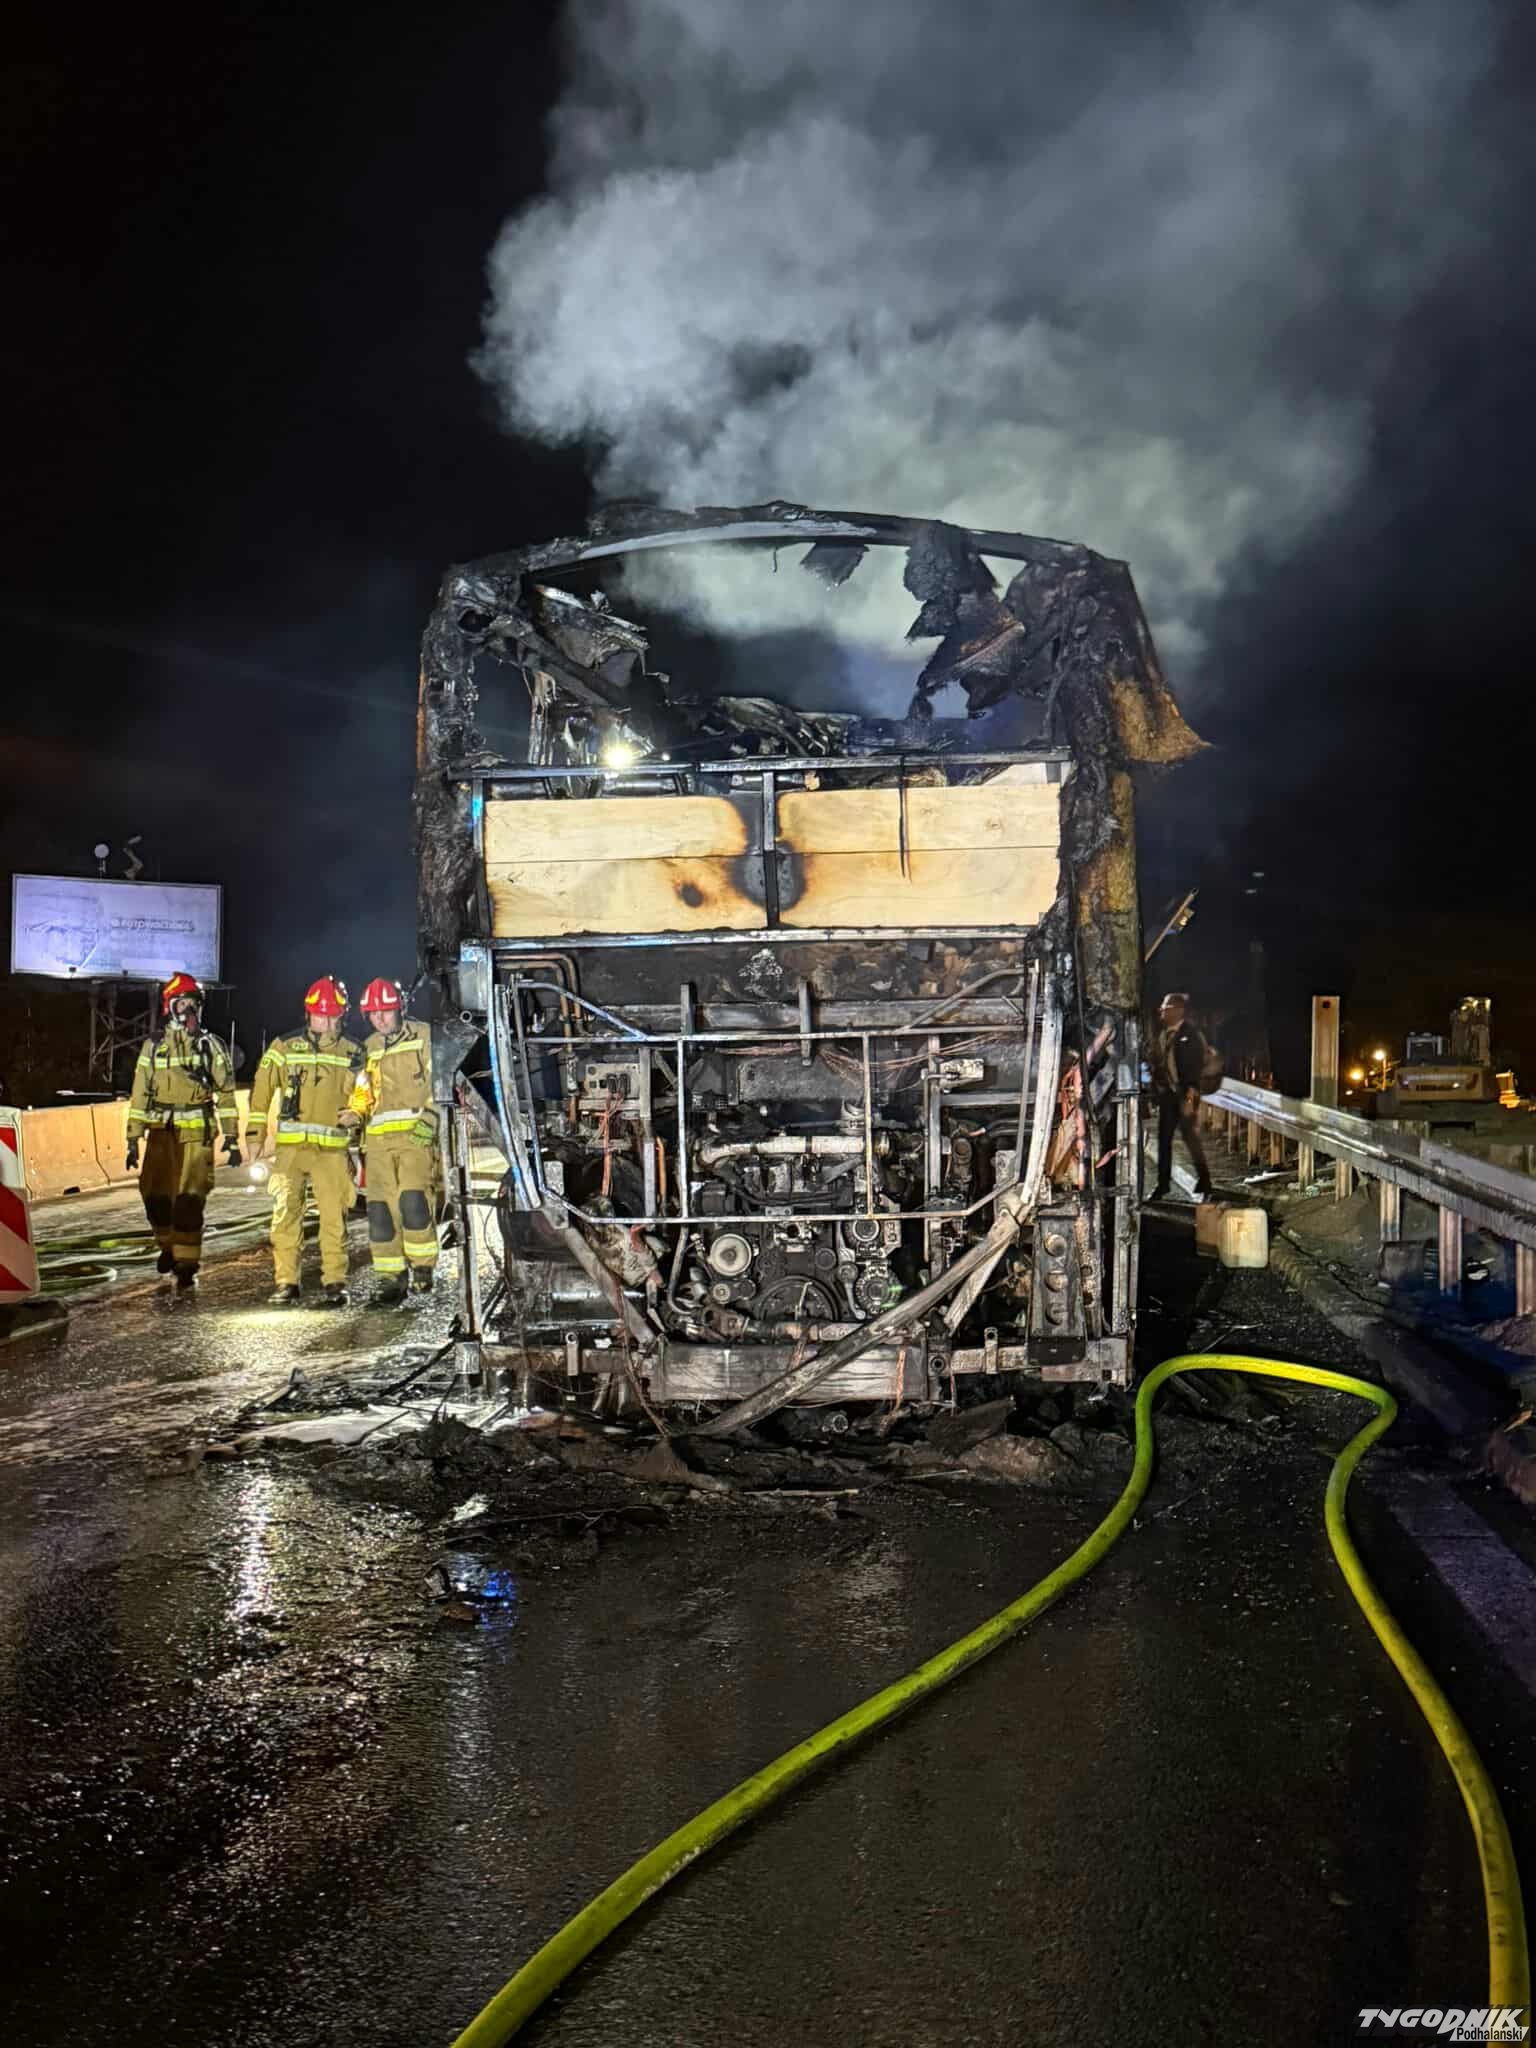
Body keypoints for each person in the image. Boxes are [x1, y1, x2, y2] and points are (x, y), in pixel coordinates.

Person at [245, 976, 362, 1306]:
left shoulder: (354, 1051)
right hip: (291, 1150)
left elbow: (365, 1090)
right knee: (285, 1216)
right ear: (308, 1014)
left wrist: (357, 1114)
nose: (328, 1023)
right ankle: (286, 1282)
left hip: (332, 1151)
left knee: (334, 1218)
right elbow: (261, 1093)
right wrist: (255, 1136)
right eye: (322, 1016)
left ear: (343, 1015)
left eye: (334, 1017)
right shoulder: (283, 1047)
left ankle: (335, 1282)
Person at [126, 972, 240, 1292]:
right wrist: (132, 1138)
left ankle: (187, 1264)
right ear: (170, 1007)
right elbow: (139, 1094)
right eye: (182, 1003)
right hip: (161, 1133)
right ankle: (167, 1246)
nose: (188, 1010)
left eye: (193, 1004)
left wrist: (231, 1137)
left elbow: (226, 1093)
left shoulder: (211, 1046)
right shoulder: (153, 1046)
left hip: (197, 1135)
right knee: (154, 1197)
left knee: (189, 1200)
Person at [344, 976, 438, 1304]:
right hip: (378, 1144)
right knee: (381, 1212)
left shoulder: (424, 1036)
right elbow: (362, 1090)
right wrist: (355, 1113)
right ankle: (390, 1276)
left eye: (386, 1011)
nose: (380, 1019)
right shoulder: (368, 1047)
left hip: (415, 1139)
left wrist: (429, 1123)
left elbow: (440, 1084)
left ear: (401, 1009)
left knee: (413, 1203)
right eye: (373, 1013)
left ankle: (423, 1268)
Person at [1149, 990, 1214, 1201]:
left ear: (1178, 1011)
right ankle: (1163, 1184)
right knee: (1164, 1140)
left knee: (1190, 1137)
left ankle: (1205, 1180)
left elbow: (1194, 1069)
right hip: (1169, 1095)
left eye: (1166, 1009)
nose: (1162, 1013)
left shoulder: (1190, 1035)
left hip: (1186, 1094)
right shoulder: (1163, 1034)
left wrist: (1190, 1098)